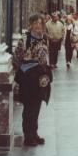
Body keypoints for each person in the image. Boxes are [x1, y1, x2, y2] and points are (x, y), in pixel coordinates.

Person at [14, 13, 53, 146]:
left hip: (40, 77)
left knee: (37, 106)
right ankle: (28, 136)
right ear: (30, 25)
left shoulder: (44, 38)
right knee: (29, 107)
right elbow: (17, 59)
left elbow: (45, 57)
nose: (38, 26)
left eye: (41, 23)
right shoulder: (24, 39)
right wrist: (26, 70)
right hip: (28, 77)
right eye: (35, 23)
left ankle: (34, 133)